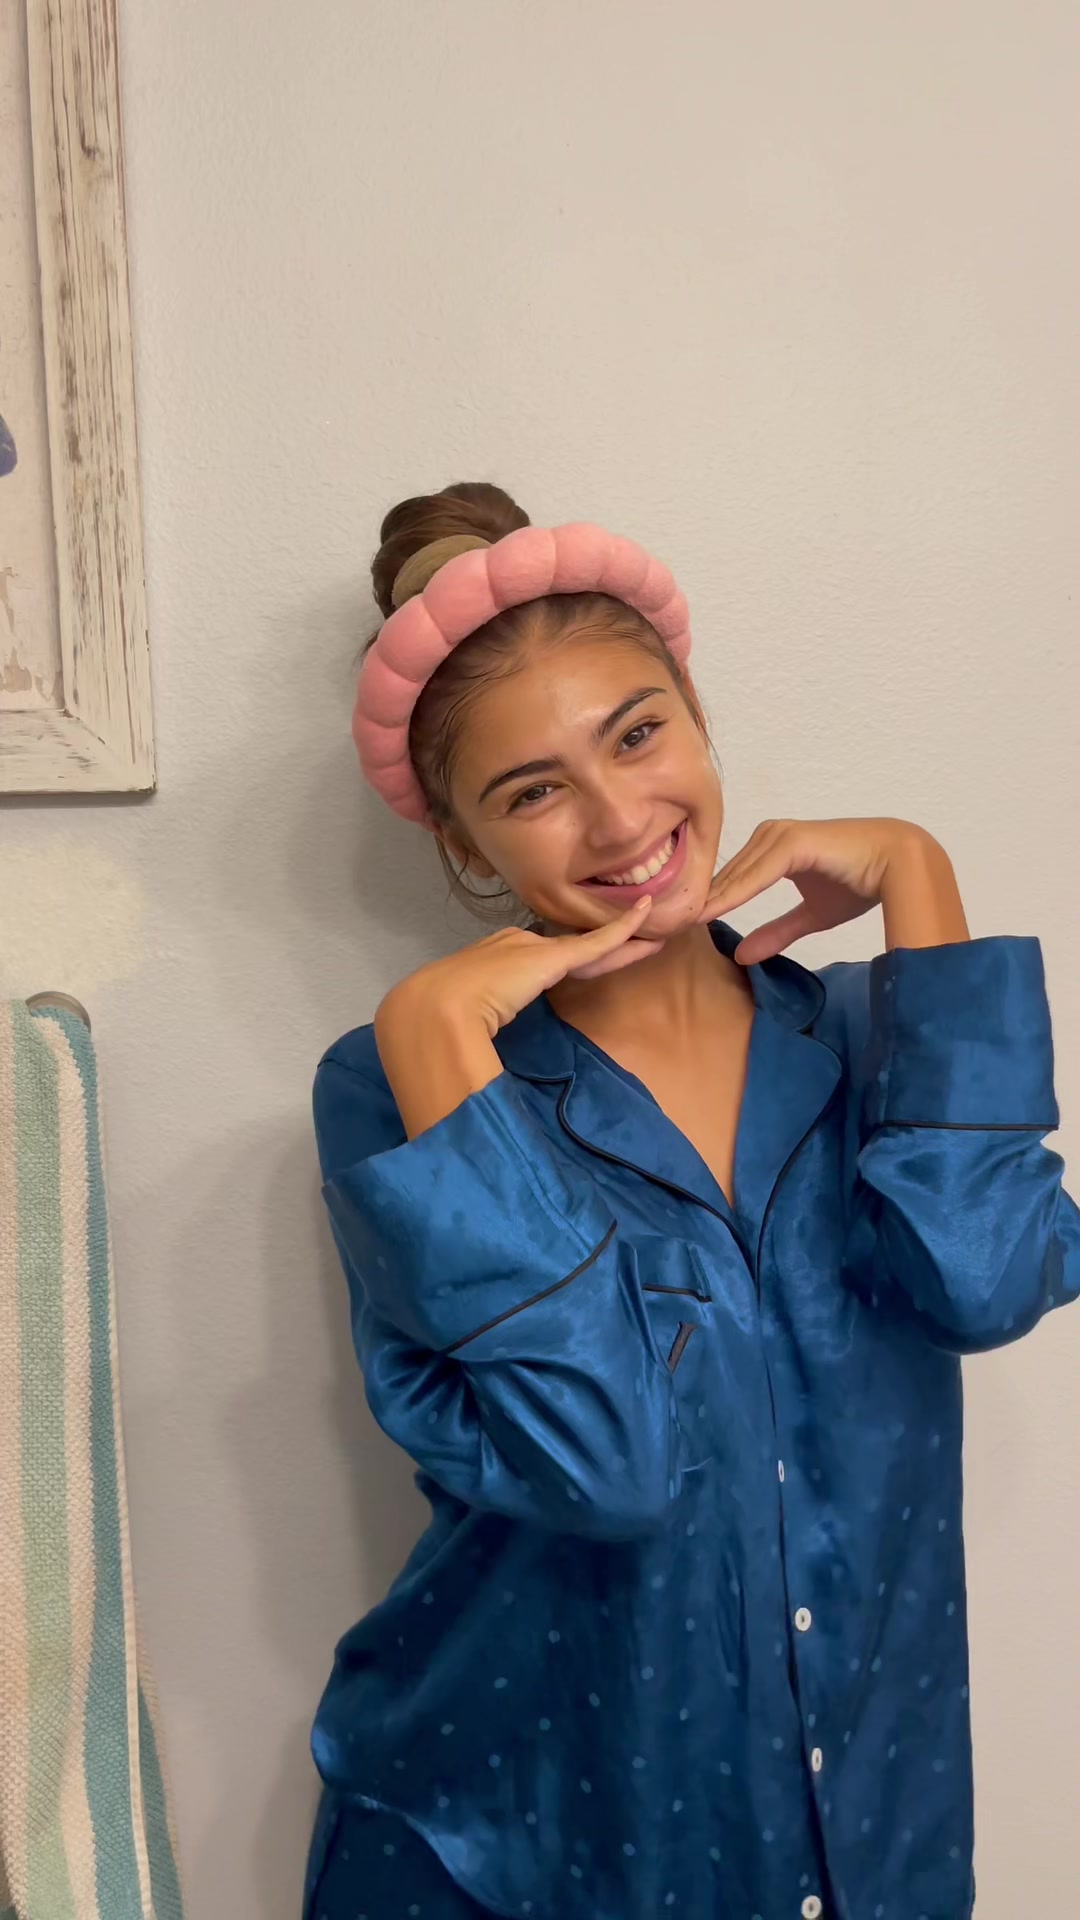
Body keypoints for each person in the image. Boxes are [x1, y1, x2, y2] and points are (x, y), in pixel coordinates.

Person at [303, 482, 1079, 1920]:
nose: (618, 818)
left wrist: (921, 875)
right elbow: (607, 1464)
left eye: (637, 733)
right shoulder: (394, 1084)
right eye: (532, 791)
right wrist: (433, 1033)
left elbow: (983, 1282)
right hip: (533, 1834)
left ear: (699, 718)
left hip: (875, 1819)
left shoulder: (876, 1039)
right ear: (468, 849)